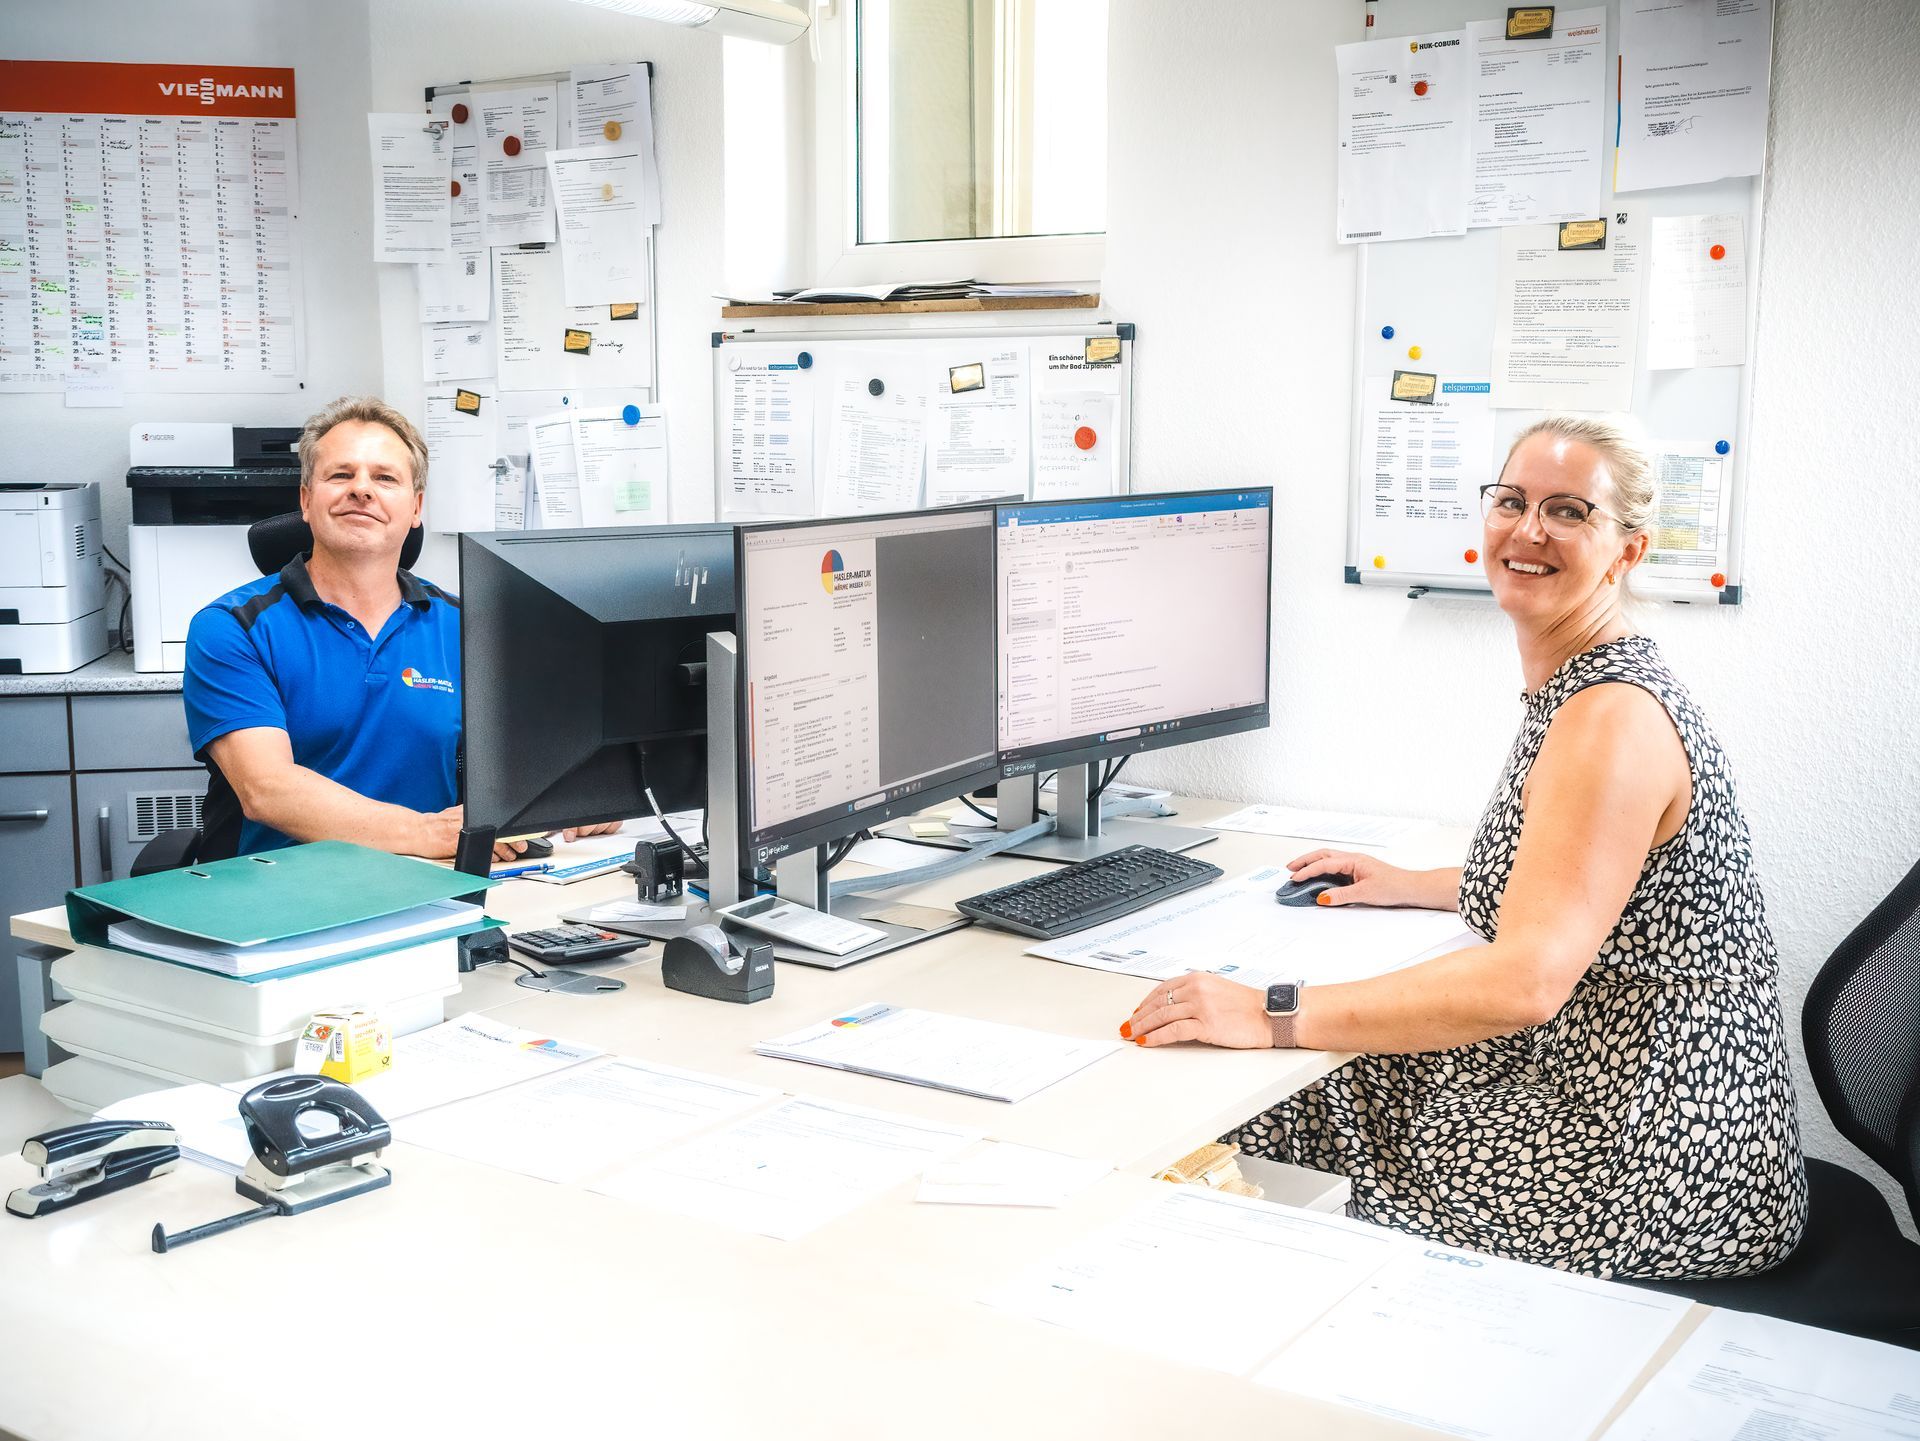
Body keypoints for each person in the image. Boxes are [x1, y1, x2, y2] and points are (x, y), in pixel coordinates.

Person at [1122, 415, 1807, 1280]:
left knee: (1250, 1113)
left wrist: (1270, 1011)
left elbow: (1525, 983)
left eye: (1568, 511)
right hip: (1629, 1092)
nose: (1528, 530)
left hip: (1650, 1155)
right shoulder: (1587, 681)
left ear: (1627, 551)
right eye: (1512, 501)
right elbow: (1591, 878)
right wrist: (1424, 883)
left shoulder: (1608, 720)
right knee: (1306, 1089)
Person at [183, 396, 619, 860]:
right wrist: (426, 833)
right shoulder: (233, 628)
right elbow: (268, 789)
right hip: (284, 897)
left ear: (416, 508)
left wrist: (583, 793)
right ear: (306, 501)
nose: (362, 490)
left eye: (385, 478)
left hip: (435, 885)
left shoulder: (468, 626)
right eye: (340, 475)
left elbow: (541, 751)